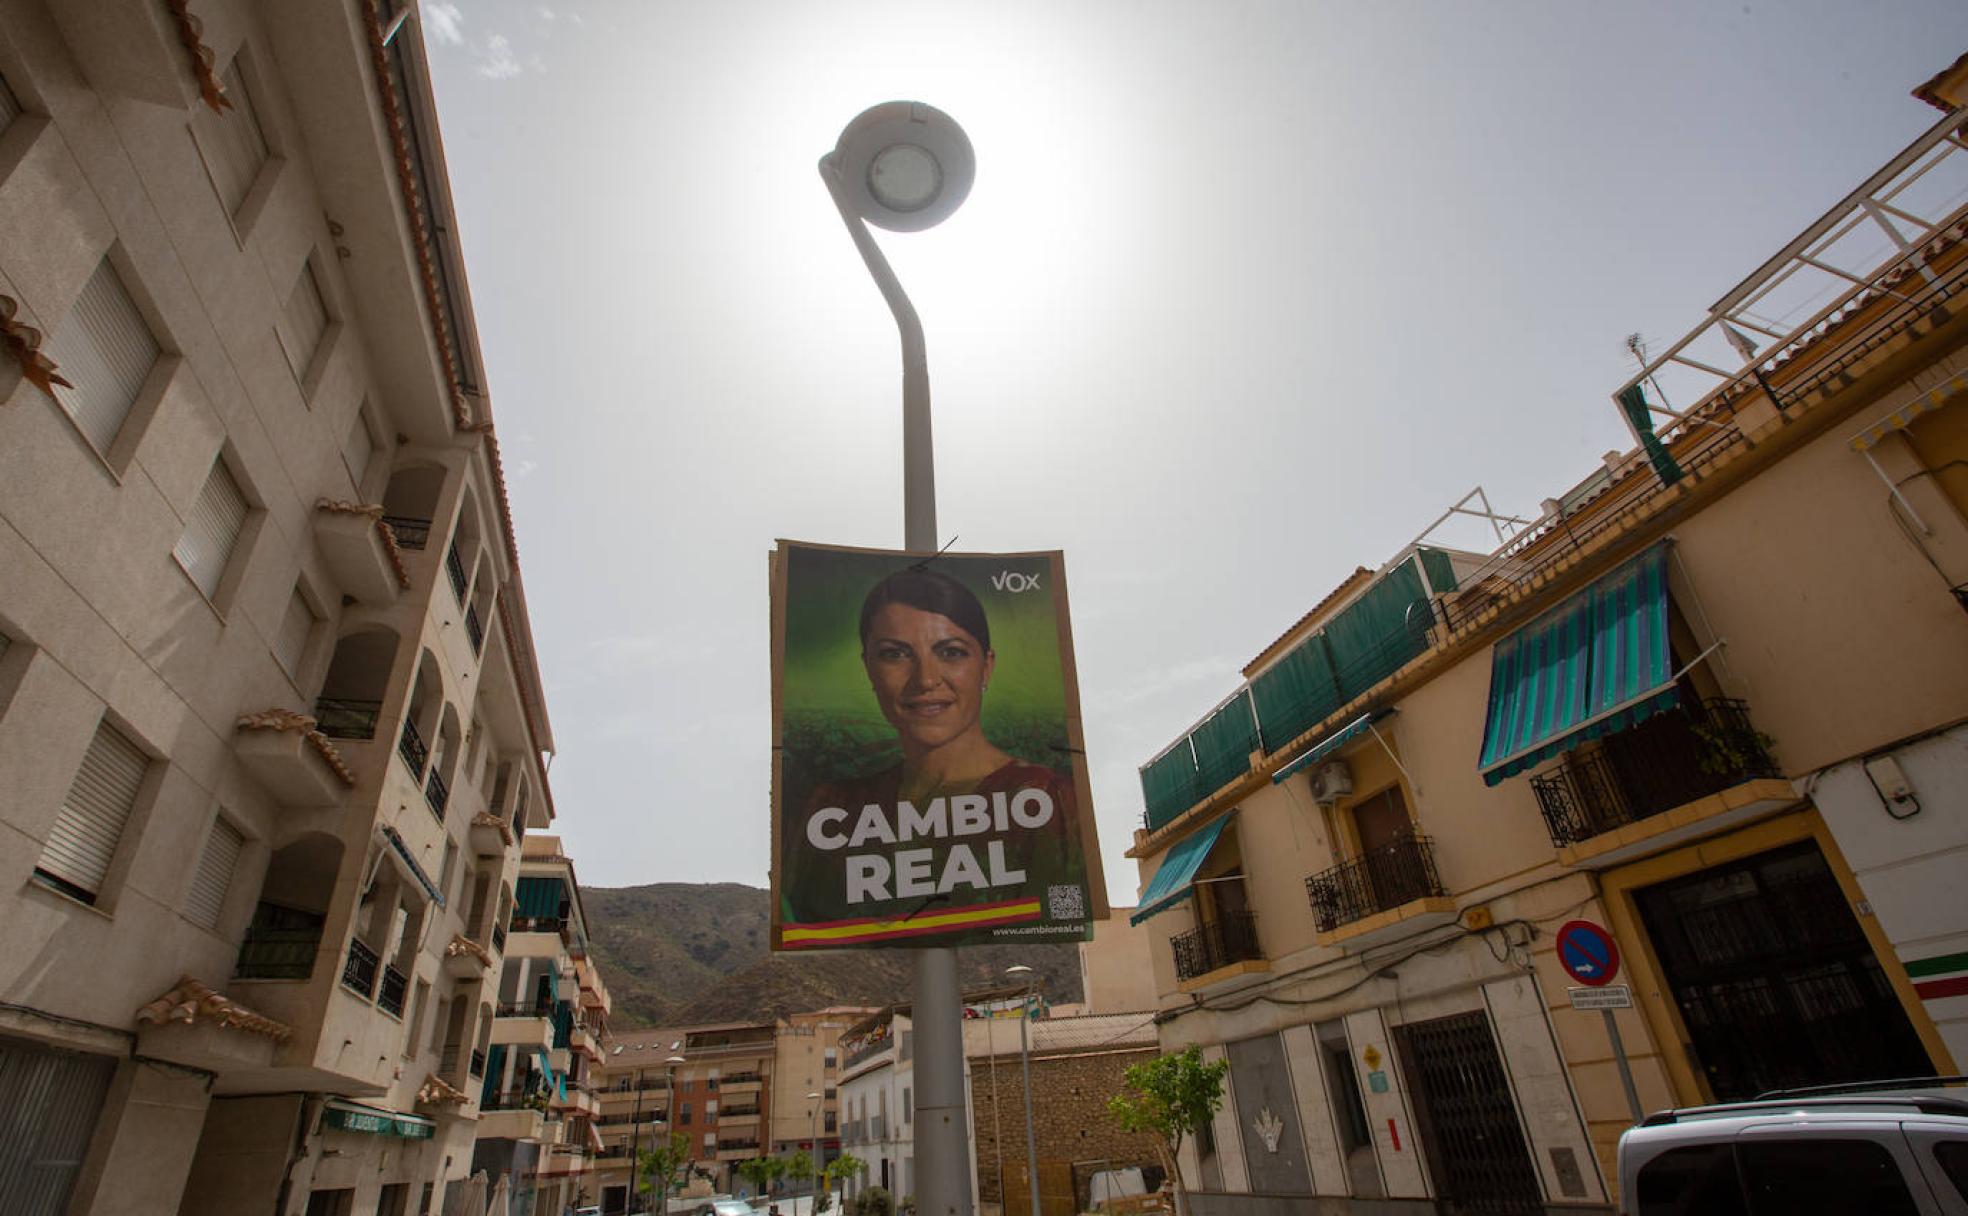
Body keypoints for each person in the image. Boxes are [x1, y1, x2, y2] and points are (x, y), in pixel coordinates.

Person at [801, 567, 1079, 895]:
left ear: (986, 667)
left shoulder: (1049, 801)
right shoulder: (835, 813)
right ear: (869, 669)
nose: (926, 679)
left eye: (951, 652)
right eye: (895, 654)